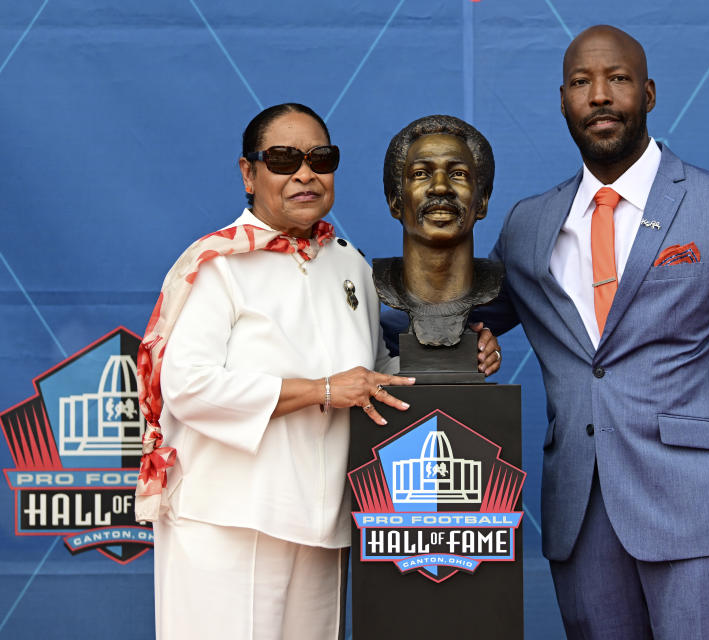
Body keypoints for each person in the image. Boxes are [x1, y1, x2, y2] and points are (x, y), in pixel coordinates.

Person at [134, 103, 501, 639]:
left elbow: (373, 374)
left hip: (324, 521)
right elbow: (187, 387)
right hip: (228, 518)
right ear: (248, 173)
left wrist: (458, 360)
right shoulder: (218, 265)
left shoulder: (348, 263)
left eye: (319, 158)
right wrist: (321, 390)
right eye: (283, 159)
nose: (304, 173)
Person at [479, 26, 709, 639]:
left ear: (648, 93)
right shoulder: (529, 224)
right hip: (580, 512)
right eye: (581, 83)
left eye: (617, 79)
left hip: (698, 511)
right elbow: (463, 315)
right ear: (564, 101)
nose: (599, 95)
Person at [375, 115, 504, 351]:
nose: (441, 187)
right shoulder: (368, 283)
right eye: (421, 174)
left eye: (458, 174)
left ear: (482, 202)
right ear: (395, 202)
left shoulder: (500, 284)